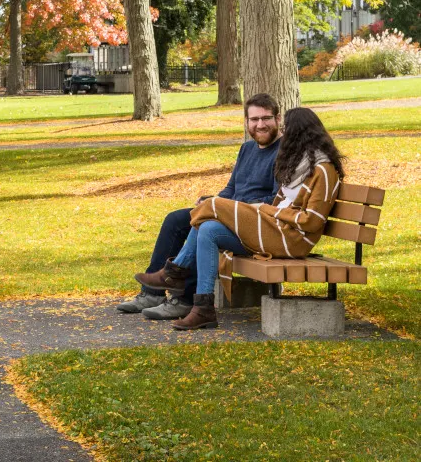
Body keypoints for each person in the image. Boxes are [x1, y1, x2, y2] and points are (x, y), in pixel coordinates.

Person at [135, 105, 342, 331]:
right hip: (275, 229)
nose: (284, 136)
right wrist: (267, 211)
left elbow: (312, 221)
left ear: (301, 134)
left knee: (212, 205)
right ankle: (203, 309)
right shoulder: (301, 166)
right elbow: (277, 201)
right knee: (208, 228)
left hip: (291, 240)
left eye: (287, 131)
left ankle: (173, 272)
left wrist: (266, 210)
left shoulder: (324, 170)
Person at [116, 92, 283, 320]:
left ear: (278, 119)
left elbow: (274, 200)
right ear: (246, 122)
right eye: (254, 119)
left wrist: (224, 207)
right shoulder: (247, 149)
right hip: (228, 214)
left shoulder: (283, 153)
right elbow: (231, 189)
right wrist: (213, 200)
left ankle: (184, 300)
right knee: (176, 220)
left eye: (266, 118)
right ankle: (152, 294)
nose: (260, 124)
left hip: (252, 224)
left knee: (204, 226)